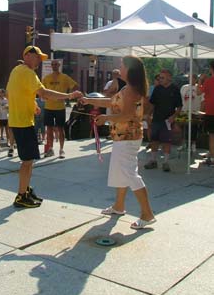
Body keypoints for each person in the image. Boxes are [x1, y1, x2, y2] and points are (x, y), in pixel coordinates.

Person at [80, 55, 156, 229]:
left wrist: (106, 117)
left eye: (122, 66)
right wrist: (89, 100)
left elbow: (127, 115)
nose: (119, 68)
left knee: (130, 174)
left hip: (127, 137)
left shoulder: (130, 90)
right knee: (120, 172)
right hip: (124, 136)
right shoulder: (129, 88)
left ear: (129, 70)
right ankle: (119, 206)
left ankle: (147, 213)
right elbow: (112, 101)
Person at [6, 45, 82, 209]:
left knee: (30, 159)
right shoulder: (27, 72)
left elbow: (15, 91)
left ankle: (26, 190)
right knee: (27, 161)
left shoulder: (16, 71)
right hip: (23, 122)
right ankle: (21, 196)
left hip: (20, 121)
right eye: (37, 57)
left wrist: (32, 104)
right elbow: (45, 93)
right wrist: (69, 96)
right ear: (27, 55)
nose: (39, 61)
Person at [144, 69, 182, 172]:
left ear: (169, 77)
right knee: (154, 140)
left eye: (162, 77)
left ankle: (166, 162)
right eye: (159, 77)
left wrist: (174, 116)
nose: (160, 79)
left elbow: (179, 106)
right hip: (156, 119)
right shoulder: (157, 89)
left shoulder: (175, 89)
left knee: (167, 142)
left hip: (168, 121)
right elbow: (152, 104)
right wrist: (148, 114)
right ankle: (153, 160)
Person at [42, 59, 78, 159]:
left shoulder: (64, 77)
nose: (54, 66)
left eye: (56, 64)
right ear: (51, 66)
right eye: (52, 64)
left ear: (59, 65)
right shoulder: (46, 78)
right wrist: (43, 96)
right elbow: (41, 90)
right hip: (48, 107)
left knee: (60, 128)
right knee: (49, 129)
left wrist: (70, 95)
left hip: (60, 108)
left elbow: (75, 85)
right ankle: (50, 149)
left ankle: (61, 150)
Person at [179, 74, 203, 152]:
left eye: (192, 78)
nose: (190, 79)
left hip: (195, 111)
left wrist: (201, 112)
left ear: (196, 79)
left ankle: (193, 145)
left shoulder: (199, 87)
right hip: (184, 110)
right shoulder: (184, 87)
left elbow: (203, 100)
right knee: (183, 128)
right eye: (189, 78)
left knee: (194, 129)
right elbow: (180, 98)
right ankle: (183, 144)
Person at [197, 61, 214, 165]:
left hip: (211, 111)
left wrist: (200, 80)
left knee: (212, 136)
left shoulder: (208, 81)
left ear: (211, 69)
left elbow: (198, 92)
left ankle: (212, 158)